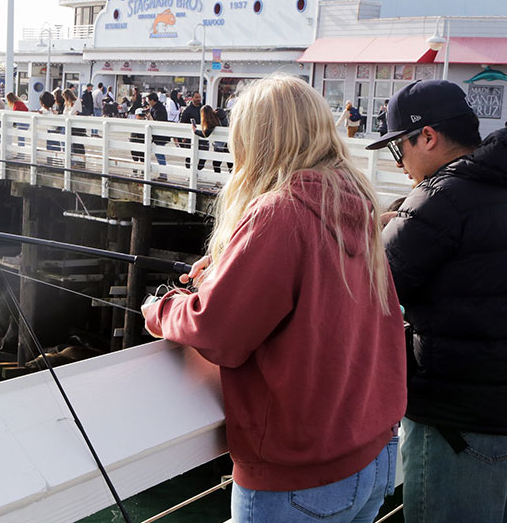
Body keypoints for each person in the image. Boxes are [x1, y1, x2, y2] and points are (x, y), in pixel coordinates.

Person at [143, 74, 405, 523]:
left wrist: (162, 309)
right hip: (374, 452)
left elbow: (218, 332)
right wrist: (231, 269)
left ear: (258, 141)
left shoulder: (279, 212)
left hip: (302, 478)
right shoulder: (353, 199)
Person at [366, 79, 507, 523]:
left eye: (397, 147)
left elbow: (370, 289)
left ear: (427, 136)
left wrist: (365, 233)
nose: (400, 161)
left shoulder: (440, 197)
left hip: (457, 425)